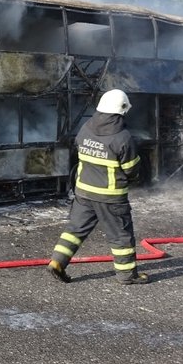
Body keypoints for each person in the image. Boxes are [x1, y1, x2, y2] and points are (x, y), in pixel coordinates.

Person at [47, 89, 149, 285]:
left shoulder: (86, 128)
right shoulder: (123, 137)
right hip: (110, 197)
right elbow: (131, 169)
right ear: (122, 110)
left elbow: (79, 150)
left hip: (84, 191)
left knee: (75, 230)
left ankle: (57, 262)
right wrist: (134, 176)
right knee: (121, 236)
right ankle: (127, 275)